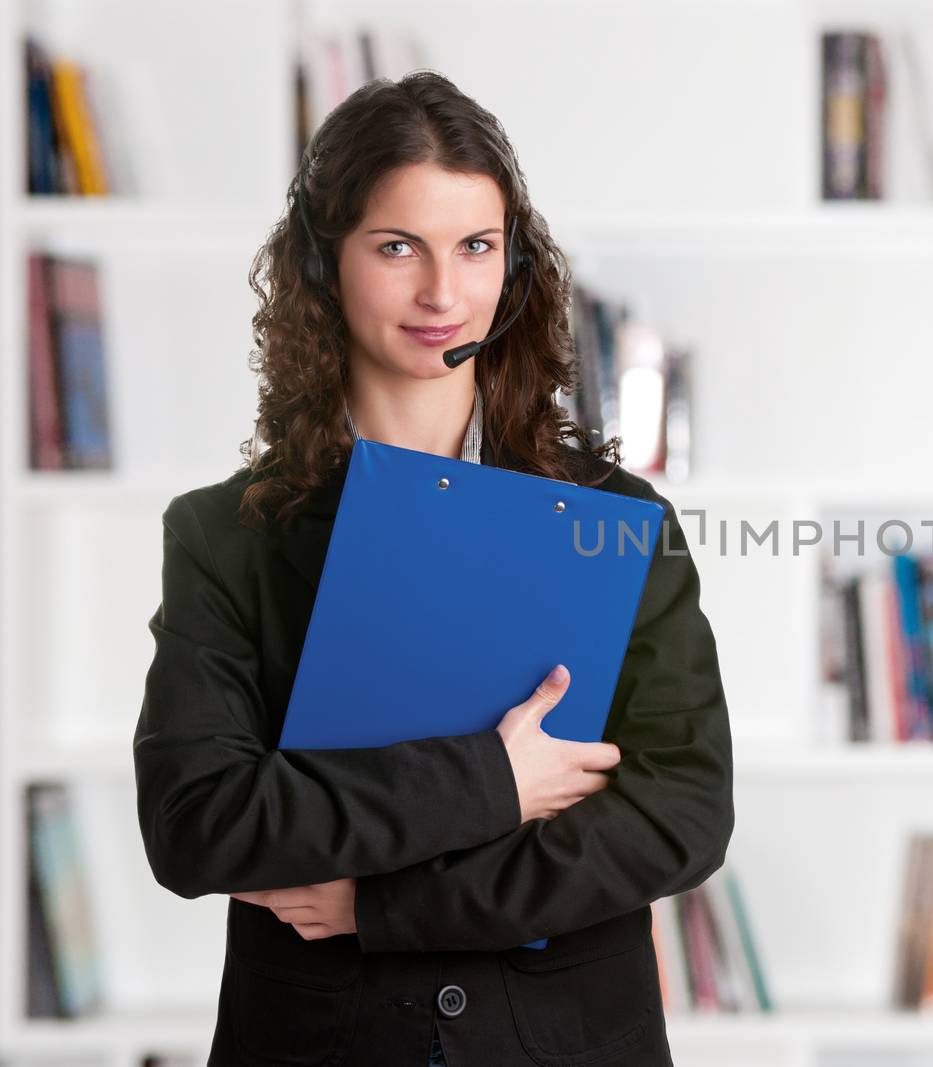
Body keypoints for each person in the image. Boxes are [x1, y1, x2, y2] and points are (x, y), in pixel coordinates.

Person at [131, 71, 734, 1065]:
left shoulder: (616, 520)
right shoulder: (224, 536)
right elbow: (200, 822)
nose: (442, 293)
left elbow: (681, 812)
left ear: (514, 267)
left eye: (476, 247)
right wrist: (498, 778)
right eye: (398, 246)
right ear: (326, 264)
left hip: (565, 1039)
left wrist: (386, 904)